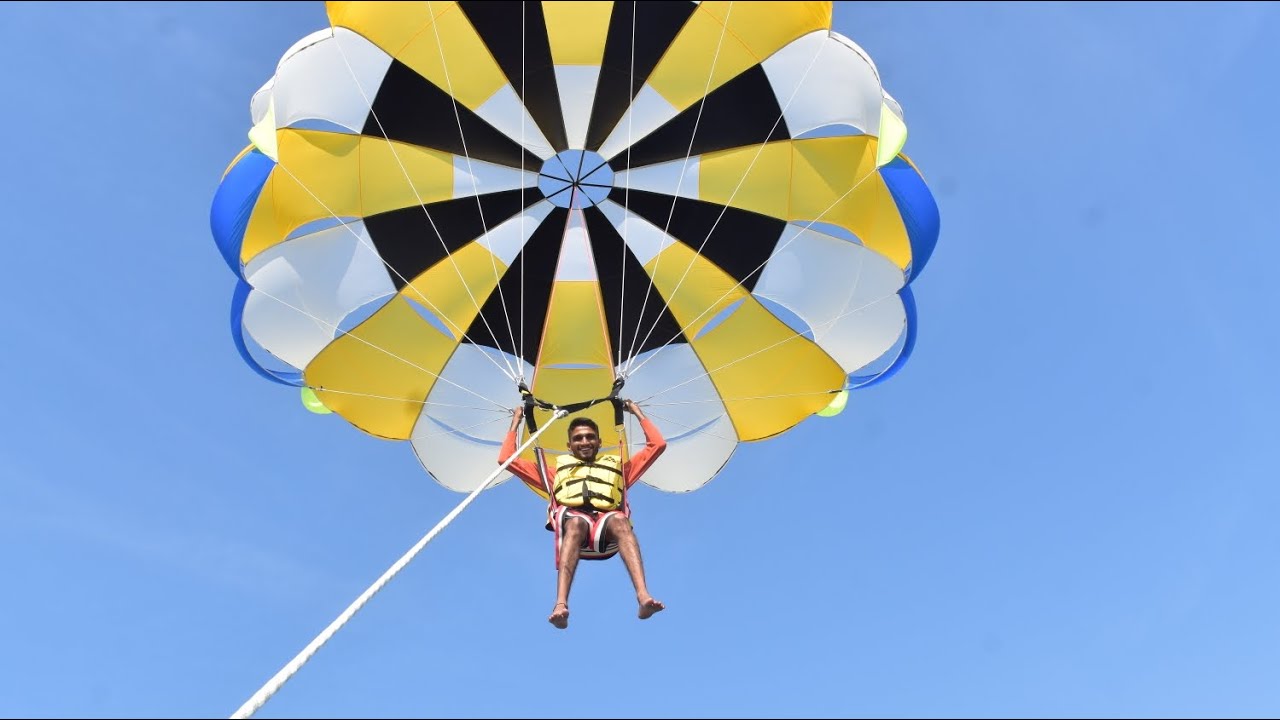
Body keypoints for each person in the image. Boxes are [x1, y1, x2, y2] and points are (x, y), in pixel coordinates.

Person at [499, 400, 667, 629]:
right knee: (577, 522)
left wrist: (637, 413)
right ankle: (560, 604)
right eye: (578, 438)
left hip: (608, 533)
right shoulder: (554, 472)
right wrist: (516, 422)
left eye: (590, 437)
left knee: (619, 519)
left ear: (599, 441)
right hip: (575, 529)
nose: (585, 442)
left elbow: (657, 445)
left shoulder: (619, 470)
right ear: (569, 445)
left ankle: (643, 597)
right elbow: (506, 460)